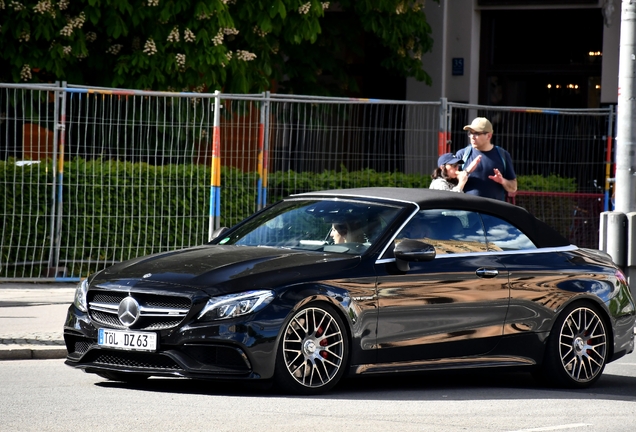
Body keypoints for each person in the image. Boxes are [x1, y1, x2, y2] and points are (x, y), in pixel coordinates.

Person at [456, 117, 517, 201]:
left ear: (489, 136)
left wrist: (502, 180)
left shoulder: (503, 155)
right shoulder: (462, 154)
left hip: (493, 211)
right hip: (467, 211)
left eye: (477, 133)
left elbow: (513, 187)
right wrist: (466, 172)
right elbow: (451, 181)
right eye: (470, 133)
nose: (472, 137)